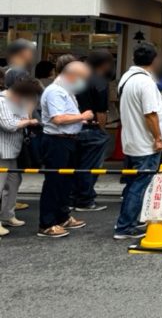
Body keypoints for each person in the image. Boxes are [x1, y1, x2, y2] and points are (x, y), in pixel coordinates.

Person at [114, 43, 162, 240]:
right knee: (140, 184)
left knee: (133, 183)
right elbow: (150, 114)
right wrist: (158, 138)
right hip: (145, 143)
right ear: (154, 60)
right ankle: (125, 226)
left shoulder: (127, 78)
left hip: (132, 140)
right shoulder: (145, 83)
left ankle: (127, 221)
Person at [38, 59, 94, 238]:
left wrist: (80, 120)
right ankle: (46, 223)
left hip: (68, 140)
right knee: (54, 182)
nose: (82, 82)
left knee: (66, 183)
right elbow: (58, 119)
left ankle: (62, 216)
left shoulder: (67, 91)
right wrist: (82, 116)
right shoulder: (55, 91)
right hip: (56, 141)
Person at [71, 50, 114, 213]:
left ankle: (73, 198)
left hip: (72, 127)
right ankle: (85, 199)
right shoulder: (99, 81)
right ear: (105, 65)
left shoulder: (75, 78)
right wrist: (102, 130)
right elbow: (101, 111)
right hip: (91, 127)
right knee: (90, 166)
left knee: (75, 165)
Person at [0, 76, 42, 235]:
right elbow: (9, 125)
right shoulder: (2, 101)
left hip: (13, 149)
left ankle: (7, 215)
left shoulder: (19, 101)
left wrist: (27, 111)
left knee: (14, 182)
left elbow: (26, 117)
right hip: (2, 150)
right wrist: (28, 122)